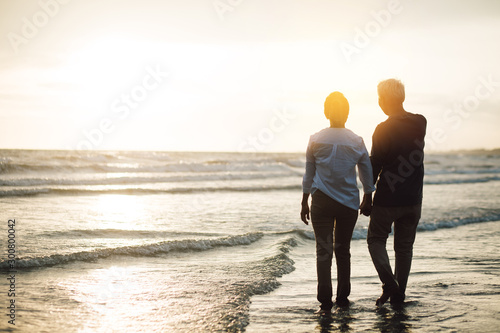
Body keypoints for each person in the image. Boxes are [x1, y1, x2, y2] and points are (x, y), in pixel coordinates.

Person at [301, 91, 375, 314]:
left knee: (323, 251)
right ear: (348, 113)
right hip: (348, 203)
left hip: (321, 201)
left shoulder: (315, 139)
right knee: (343, 250)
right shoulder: (356, 140)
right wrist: (368, 196)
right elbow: (366, 172)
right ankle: (343, 298)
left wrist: (304, 201)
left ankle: (325, 302)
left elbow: (309, 173)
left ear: (325, 113)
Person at [365, 78, 427, 306]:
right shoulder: (421, 122)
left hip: (387, 199)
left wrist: (367, 198)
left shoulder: (382, 129)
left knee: (375, 240)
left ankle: (389, 284)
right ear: (401, 98)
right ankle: (399, 294)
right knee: (404, 247)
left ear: (383, 100)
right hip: (413, 199)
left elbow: (375, 165)